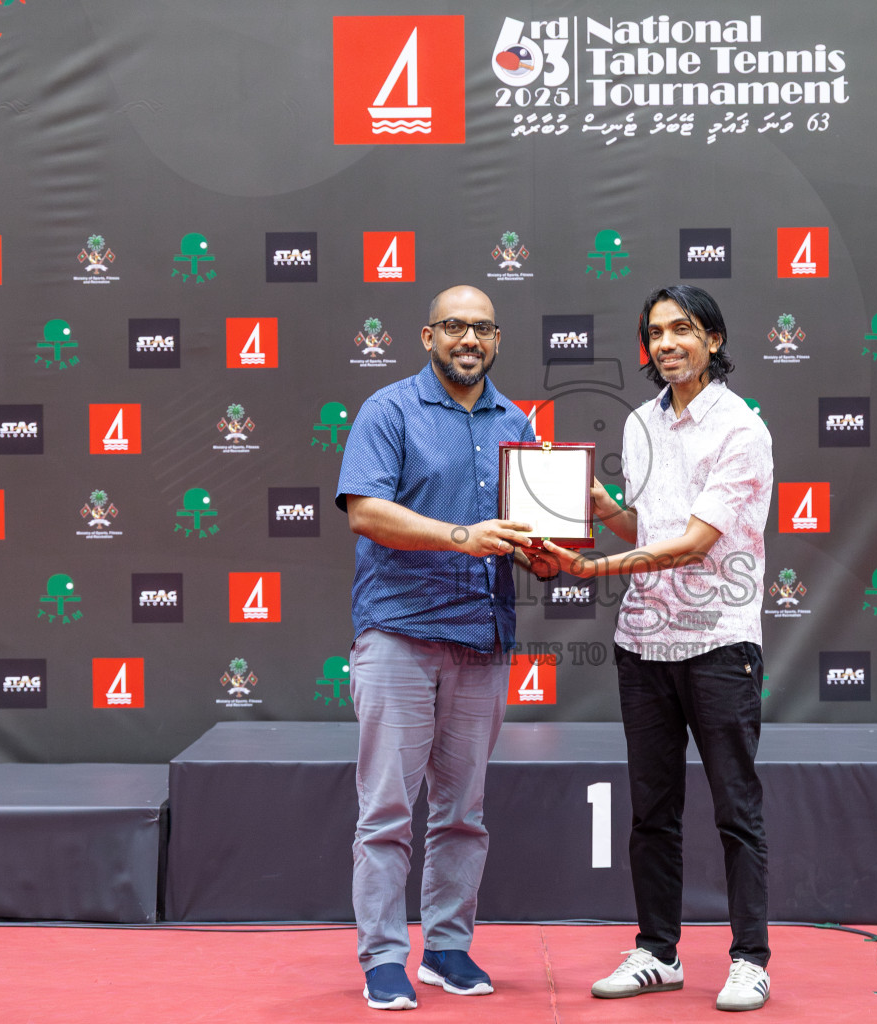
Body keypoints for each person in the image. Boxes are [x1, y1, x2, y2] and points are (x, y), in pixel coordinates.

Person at [541, 284, 775, 1012]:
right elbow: (644, 527)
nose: (667, 343)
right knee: (651, 811)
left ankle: (750, 959)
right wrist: (582, 496)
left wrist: (594, 570)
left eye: (682, 330)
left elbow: (698, 542)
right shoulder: (642, 421)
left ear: (712, 337)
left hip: (717, 644)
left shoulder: (742, 429)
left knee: (736, 809)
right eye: (656, 333)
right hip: (643, 643)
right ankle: (657, 951)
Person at [336, 284, 559, 1011]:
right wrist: (462, 536)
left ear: (497, 341)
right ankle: (382, 958)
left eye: (484, 328)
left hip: (482, 639)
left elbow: (522, 532)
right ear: (427, 336)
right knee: (387, 811)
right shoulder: (388, 410)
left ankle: (448, 948)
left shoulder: (516, 422)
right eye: (456, 326)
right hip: (399, 634)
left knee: (463, 811)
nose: (470, 338)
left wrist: (542, 555)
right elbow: (366, 511)